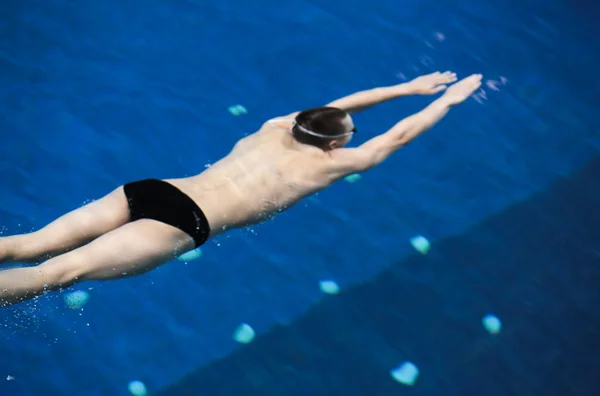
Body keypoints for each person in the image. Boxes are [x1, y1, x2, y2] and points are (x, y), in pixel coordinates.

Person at [0, 72, 482, 306]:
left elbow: (336, 105)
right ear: (335, 144)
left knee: (31, 245)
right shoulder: (333, 166)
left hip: (153, 189)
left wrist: (406, 87)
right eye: (348, 134)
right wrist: (447, 101)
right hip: (183, 222)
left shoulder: (277, 126)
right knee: (59, 274)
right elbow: (397, 135)